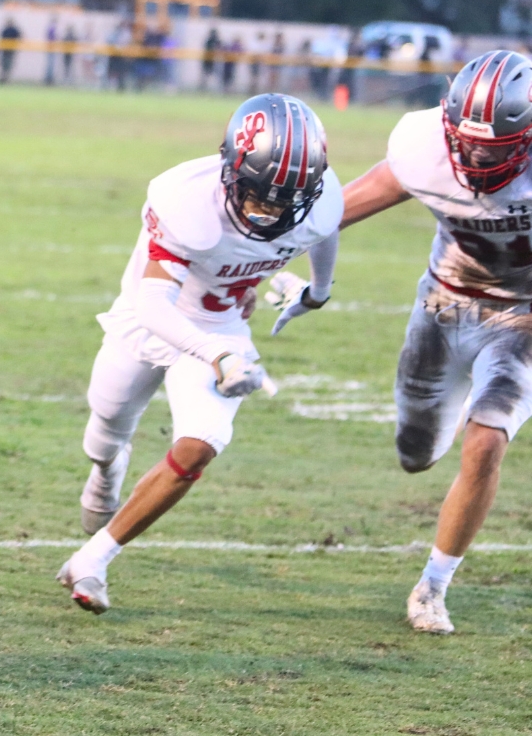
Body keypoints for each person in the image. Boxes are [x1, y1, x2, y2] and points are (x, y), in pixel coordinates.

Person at [58, 94, 342, 614]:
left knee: (203, 442)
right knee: (106, 431)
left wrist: (317, 290)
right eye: (259, 194)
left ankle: (93, 559)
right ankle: (105, 471)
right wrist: (215, 353)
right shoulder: (185, 197)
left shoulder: (322, 201)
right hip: (151, 322)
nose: (271, 210)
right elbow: (153, 303)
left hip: (223, 327)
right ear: (230, 167)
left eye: (287, 199)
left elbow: (325, 230)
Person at [339, 50, 532, 635]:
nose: (474, 157)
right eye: (467, 142)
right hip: (444, 303)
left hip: (525, 318)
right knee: (416, 455)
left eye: (493, 149)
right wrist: (258, 262)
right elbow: (345, 204)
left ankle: (433, 585)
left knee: (484, 442)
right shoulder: (422, 145)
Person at [0, 18, 21, 84]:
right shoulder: (5, 30)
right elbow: (1, 40)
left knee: (9, 65)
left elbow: (20, 37)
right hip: (5, 51)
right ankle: (3, 79)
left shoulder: (14, 30)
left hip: (11, 51)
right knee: (4, 65)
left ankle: (7, 79)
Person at [44, 16, 58, 86]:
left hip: (52, 48)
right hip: (51, 48)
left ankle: (49, 78)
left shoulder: (52, 28)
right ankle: (48, 79)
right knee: (50, 65)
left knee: (50, 65)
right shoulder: (52, 28)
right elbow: (51, 38)